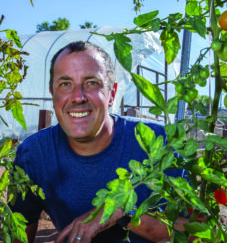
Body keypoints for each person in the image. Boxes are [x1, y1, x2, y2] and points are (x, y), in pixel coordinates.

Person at [10, 41, 189, 243]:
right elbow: (19, 234)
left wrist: (121, 212)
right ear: (53, 94)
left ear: (112, 94)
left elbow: (192, 231)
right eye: (65, 84)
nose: (78, 97)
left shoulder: (157, 141)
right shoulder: (35, 155)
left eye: (91, 83)